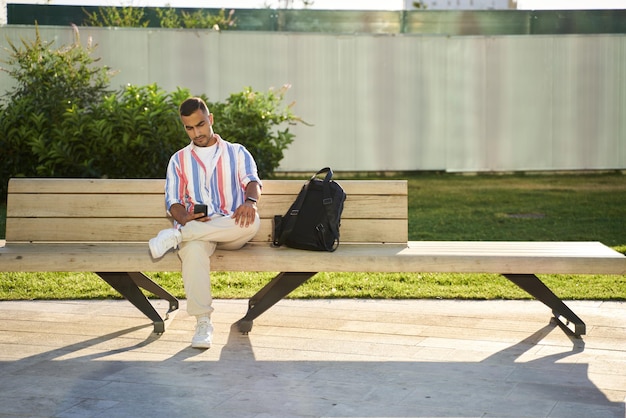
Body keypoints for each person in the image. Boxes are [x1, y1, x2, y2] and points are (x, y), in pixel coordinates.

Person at [149, 97, 261, 349]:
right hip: (201, 232)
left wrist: (250, 202)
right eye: (189, 128)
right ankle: (202, 323)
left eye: (200, 125)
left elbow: (252, 181)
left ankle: (178, 236)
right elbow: (174, 202)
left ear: (210, 119)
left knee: (253, 221)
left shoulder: (237, 152)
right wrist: (184, 218)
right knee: (194, 249)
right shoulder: (179, 160)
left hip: (231, 227)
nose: (197, 133)